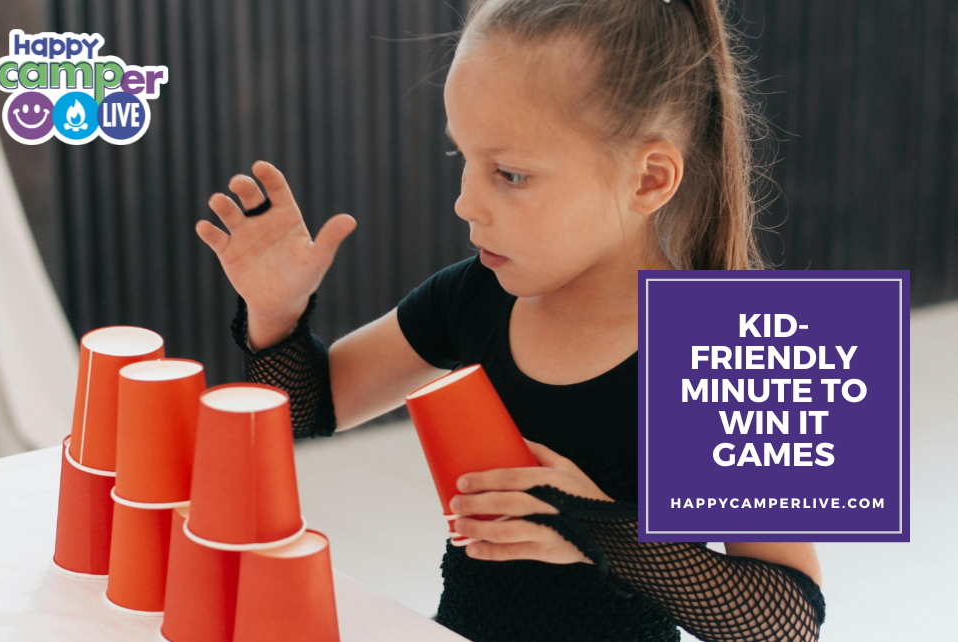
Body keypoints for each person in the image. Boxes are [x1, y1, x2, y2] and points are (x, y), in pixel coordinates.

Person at [194, 0, 826, 639]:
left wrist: (594, 525)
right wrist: (276, 314)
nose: (466, 203)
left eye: (511, 174)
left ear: (649, 179)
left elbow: (787, 620)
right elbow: (312, 409)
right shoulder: (476, 294)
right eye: (462, 159)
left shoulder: (735, 347)